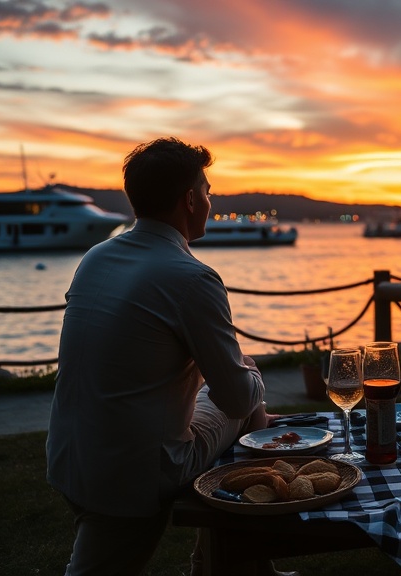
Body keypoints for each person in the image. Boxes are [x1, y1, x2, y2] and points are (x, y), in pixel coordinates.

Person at [46, 137, 291, 575]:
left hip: (71, 455)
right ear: (190, 199)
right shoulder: (191, 278)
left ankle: (230, 562)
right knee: (246, 393)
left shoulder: (97, 257)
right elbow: (235, 399)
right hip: (133, 471)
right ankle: (235, 563)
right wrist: (252, 378)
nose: (210, 201)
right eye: (208, 191)